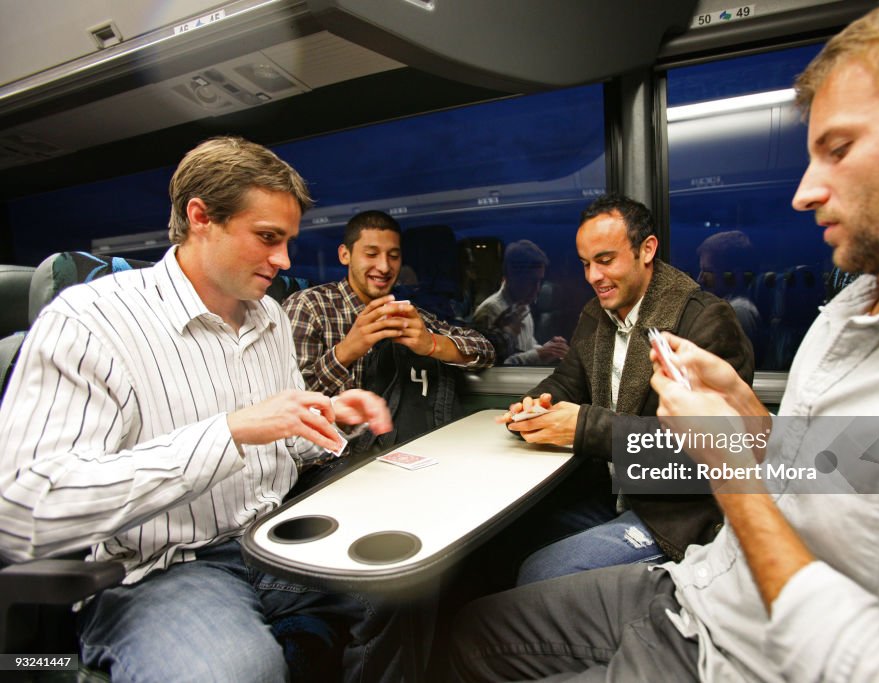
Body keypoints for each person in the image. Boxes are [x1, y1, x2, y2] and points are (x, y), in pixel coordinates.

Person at [451, 0, 879, 680]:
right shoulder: (850, 313)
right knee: (463, 627)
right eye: (583, 263)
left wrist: (712, 451)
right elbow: (821, 471)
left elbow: (697, 470)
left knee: (536, 565)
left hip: (722, 616)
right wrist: (751, 421)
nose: (805, 192)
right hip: (701, 592)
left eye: (839, 149)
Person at [0, 136, 404, 682]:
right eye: (267, 238)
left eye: (287, 241)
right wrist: (227, 435)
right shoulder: (90, 319)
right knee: (235, 672)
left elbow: (283, 443)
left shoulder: (270, 318)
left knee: (415, 593)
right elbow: (24, 508)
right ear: (200, 217)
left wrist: (332, 417)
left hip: (273, 539)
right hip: (162, 569)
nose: (283, 261)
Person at [500, 194, 754, 584]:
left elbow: (706, 453)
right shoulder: (596, 316)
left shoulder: (704, 320)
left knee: (543, 571)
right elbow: (567, 381)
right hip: (613, 496)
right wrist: (535, 404)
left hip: (679, 515)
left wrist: (585, 427)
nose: (592, 277)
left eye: (605, 260)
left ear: (646, 250)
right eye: (586, 264)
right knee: (503, 539)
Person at [282, 210, 494, 434]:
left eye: (393, 256)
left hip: (393, 446)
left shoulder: (403, 312)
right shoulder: (310, 306)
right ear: (345, 255)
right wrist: (345, 352)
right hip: (329, 458)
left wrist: (431, 344)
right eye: (371, 254)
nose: (384, 267)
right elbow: (287, 403)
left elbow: (485, 351)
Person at [472, 239, 569, 365]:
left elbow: (526, 348)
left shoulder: (522, 306)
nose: (537, 289)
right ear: (512, 276)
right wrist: (539, 354)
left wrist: (550, 349)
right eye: (531, 281)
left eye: (539, 281)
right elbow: (494, 367)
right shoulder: (489, 311)